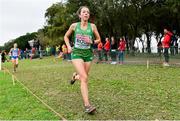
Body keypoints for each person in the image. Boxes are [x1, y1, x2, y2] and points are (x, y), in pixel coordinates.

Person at [64, 6, 101, 114]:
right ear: (80, 15)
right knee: (84, 77)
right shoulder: (74, 26)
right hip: (77, 54)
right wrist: (69, 47)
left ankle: (75, 76)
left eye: (88, 12)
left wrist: (92, 41)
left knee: (82, 77)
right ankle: (87, 106)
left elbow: (99, 40)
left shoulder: (92, 26)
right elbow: (66, 36)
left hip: (88, 54)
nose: (86, 14)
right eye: (84, 12)